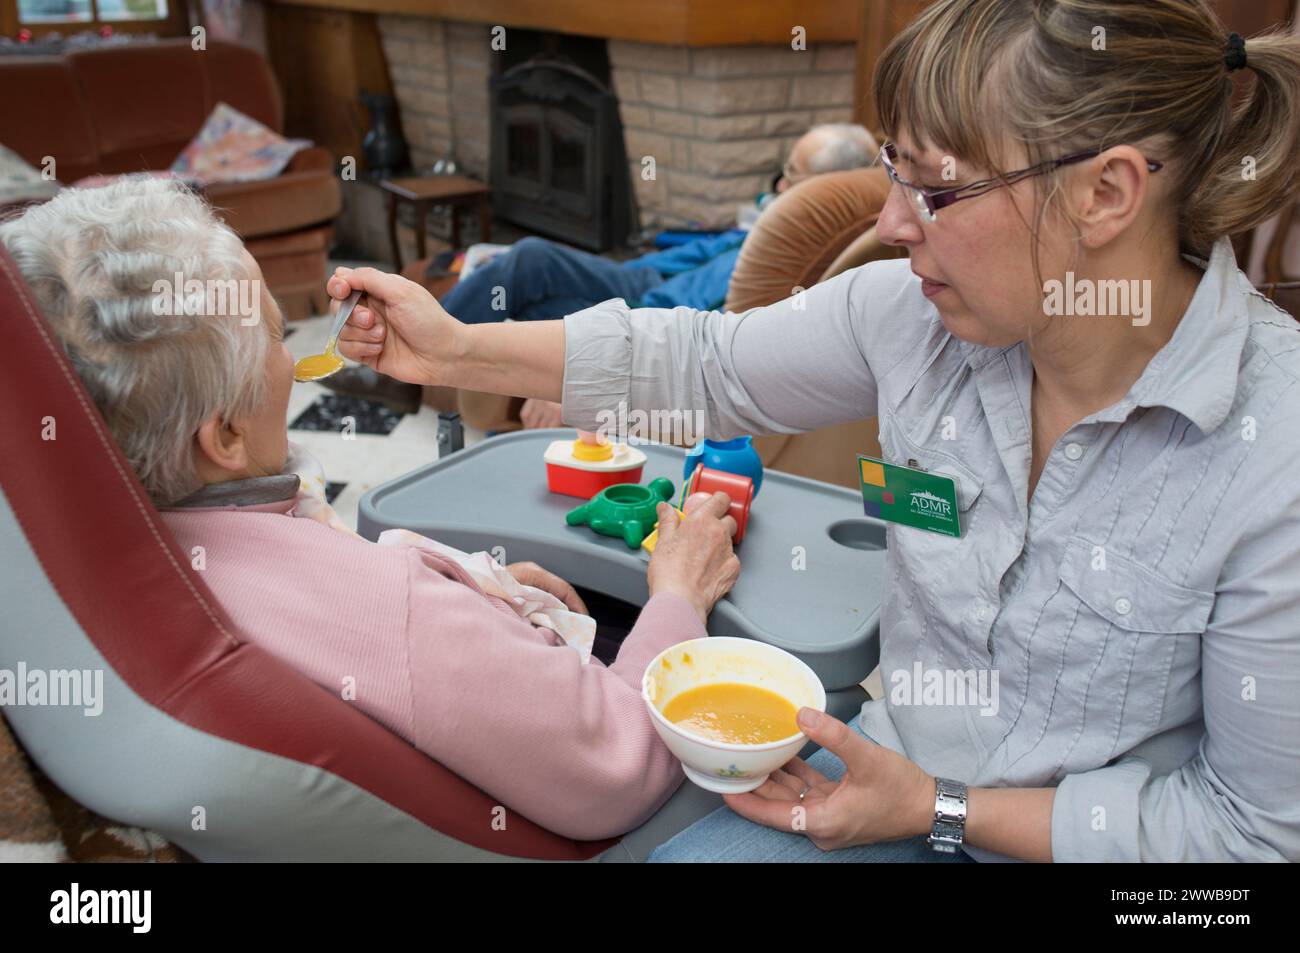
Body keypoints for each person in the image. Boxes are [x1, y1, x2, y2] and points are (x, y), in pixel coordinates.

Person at [327, 0, 1300, 862]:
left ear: (1106, 192)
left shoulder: (1276, 443)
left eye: (936, 188)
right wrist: (452, 348)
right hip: (886, 782)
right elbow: (698, 360)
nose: (890, 221)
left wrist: (940, 806)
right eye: (890, 168)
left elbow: (1249, 833)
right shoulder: (908, 315)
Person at [0, 176, 742, 842]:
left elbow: (367, 624)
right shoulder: (399, 619)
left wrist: (471, 587)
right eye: (273, 334)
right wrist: (678, 597)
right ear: (223, 435)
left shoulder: (87, 552)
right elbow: (625, 765)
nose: (293, 359)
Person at [328, 123, 879, 429]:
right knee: (527, 266)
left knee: (529, 265)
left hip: (652, 306)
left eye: (793, 178)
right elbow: (704, 252)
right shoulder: (782, 223)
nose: (779, 188)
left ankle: (397, 373)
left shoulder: (793, 253)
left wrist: (576, 380)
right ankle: (410, 358)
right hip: (644, 273)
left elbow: (707, 331)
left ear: (831, 186)